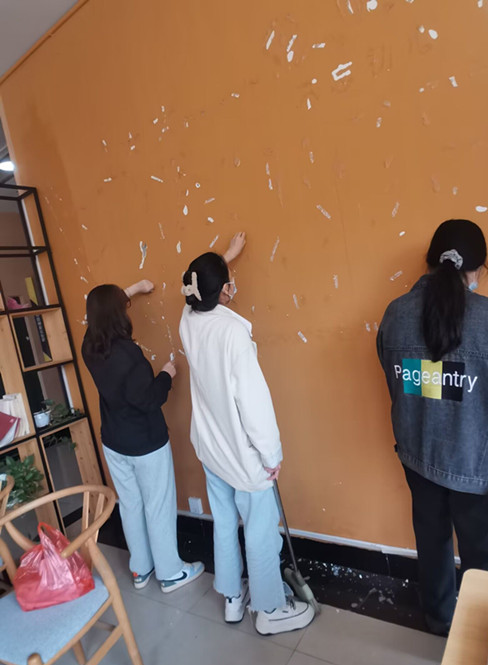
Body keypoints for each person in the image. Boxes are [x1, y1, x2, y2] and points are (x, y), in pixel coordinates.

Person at [179, 233, 315, 635]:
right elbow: (254, 403)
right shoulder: (233, 334)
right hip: (243, 456)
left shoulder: (188, 320)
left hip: (210, 449)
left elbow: (198, 289)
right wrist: (272, 455)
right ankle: (270, 609)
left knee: (224, 522)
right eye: (228, 284)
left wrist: (226, 258)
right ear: (225, 291)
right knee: (260, 530)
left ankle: (233, 599)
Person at [377, 219, 488, 635]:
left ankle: (440, 619)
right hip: (479, 471)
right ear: (479, 269)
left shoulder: (395, 314)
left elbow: (396, 380)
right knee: (484, 558)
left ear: (429, 262)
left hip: (418, 458)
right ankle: (482, 635)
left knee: (431, 543)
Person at [82, 280, 204, 593]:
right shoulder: (128, 354)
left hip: (114, 441)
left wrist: (135, 289)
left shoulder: (89, 347)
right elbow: (148, 399)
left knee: (130, 505)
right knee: (158, 506)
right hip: (145, 443)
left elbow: (104, 309)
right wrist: (166, 375)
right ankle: (170, 573)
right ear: (118, 314)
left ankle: (140, 568)